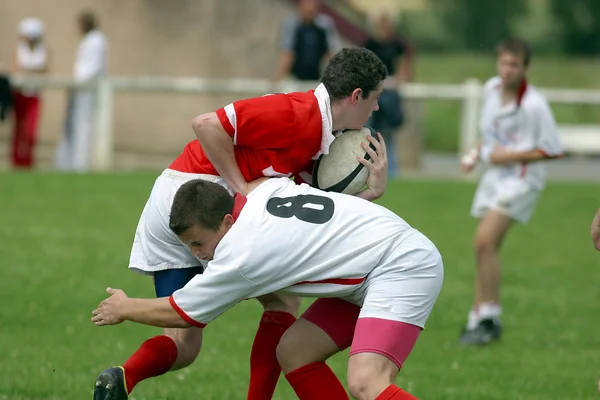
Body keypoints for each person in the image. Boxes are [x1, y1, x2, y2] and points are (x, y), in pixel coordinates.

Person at [93, 47, 388, 400]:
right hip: (205, 199)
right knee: (282, 304)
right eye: (375, 99)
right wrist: (242, 187)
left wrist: (370, 193)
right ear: (356, 96)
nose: (377, 108)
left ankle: (123, 376)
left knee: (183, 341)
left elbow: (306, 210)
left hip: (171, 201)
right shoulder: (297, 112)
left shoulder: (318, 132)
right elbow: (207, 124)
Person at [92, 177, 444, 400]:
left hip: (401, 265)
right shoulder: (263, 188)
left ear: (227, 221)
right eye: (189, 247)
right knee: (294, 350)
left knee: (367, 383)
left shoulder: (242, 254)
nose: (197, 255)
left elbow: (181, 313)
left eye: (199, 243)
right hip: (371, 265)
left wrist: (124, 307)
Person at [459, 38, 563, 345]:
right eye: (504, 63)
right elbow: (490, 135)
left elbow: (552, 150)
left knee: (484, 240)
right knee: (483, 247)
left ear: (525, 68)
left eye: (514, 65)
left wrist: (508, 156)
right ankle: (478, 316)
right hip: (496, 177)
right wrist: (475, 153)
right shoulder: (491, 89)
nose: (507, 70)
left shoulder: (534, 104)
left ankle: (489, 317)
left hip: (521, 180)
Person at [55, 10, 108, 172]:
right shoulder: (88, 40)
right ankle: (71, 163)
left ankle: (81, 163)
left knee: (85, 126)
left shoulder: (97, 40)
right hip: (81, 89)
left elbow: (92, 68)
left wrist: (79, 82)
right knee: (75, 126)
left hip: (88, 91)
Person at [363, 12, 413, 178]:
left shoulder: (398, 44)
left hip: (390, 92)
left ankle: (391, 171)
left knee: (388, 135)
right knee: (372, 133)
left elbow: (404, 69)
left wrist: (396, 80)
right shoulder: (370, 43)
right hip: (374, 92)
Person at [11, 17, 49, 169]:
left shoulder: (43, 50)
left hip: (35, 95)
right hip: (20, 94)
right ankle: (16, 160)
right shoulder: (19, 49)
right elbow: (16, 68)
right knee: (19, 128)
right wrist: (33, 70)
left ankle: (28, 161)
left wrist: (29, 70)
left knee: (31, 130)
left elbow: (45, 70)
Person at [273, 0, 339, 82]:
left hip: (316, 75)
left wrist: (333, 78)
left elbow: (330, 54)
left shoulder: (324, 26)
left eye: (311, 11)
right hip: (294, 77)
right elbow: (287, 53)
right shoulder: (292, 25)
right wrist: (278, 78)